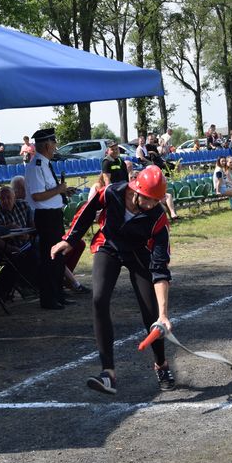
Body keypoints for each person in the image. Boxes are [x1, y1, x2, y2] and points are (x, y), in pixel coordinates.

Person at [51, 165, 175, 394]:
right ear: (136, 190)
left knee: (151, 314)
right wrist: (70, 239)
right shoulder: (113, 192)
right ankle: (108, 372)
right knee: (98, 299)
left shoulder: (158, 219)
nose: (150, 205)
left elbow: (160, 270)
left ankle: (161, 364)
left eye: (155, 201)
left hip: (138, 252)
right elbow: (88, 210)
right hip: (108, 245)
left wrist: (163, 313)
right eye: (147, 199)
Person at [25, 128, 70, 310]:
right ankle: (49, 298)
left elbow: (48, 192)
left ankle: (58, 294)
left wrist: (62, 191)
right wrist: (59, 190)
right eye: (53, 143)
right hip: (46, 217)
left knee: (58, 257)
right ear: (46, 145)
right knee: (49, 258)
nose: (55, 146)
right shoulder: (36, 165)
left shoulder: (45, 163)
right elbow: (36, 196)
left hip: (54, 214)